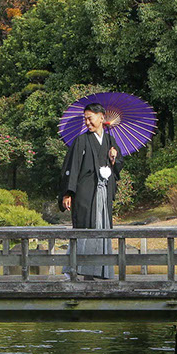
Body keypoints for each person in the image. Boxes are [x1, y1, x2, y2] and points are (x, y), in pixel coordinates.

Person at [59, 102, 123, 278]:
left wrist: (113, 159)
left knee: (103, 227)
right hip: (85, 192)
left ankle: (100, 271)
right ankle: (72, 270)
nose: (87, 122)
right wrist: (68, 192)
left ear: (101, 117)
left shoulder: (110, 141)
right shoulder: (81, 140)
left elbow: (118, 166)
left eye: (90, 118)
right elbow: (72, 166)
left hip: (104, 191)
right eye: (85, 119)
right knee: (84, 228)